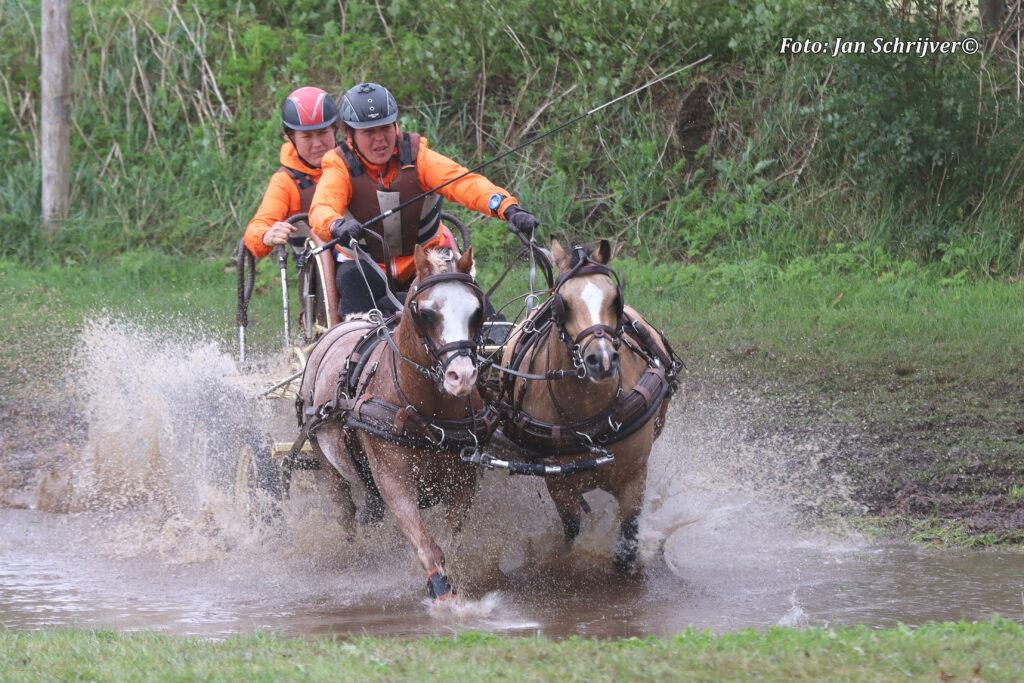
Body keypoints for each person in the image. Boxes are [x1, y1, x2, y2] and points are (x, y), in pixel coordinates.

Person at [309, 82, 539, 316]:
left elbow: (464, 182)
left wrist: (507, 207)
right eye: (368, 132)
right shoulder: (338, 165)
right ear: (349, 134)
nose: (379, 139)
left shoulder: (419, 157)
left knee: (463, 291)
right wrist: (336, 224)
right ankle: (355, 349)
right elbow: (322, 208)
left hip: (427, 262)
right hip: (366, 267)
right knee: (353, 277)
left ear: (396, 126)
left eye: (385, 128)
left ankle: (491, 338)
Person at [243, 86, 340, 258]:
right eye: (307, 136)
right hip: (318, 277)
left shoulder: (353, 162)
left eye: (323, 132)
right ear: (291, 137)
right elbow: (256, 229)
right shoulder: (285, 182)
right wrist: (266, 235)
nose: (317, 143)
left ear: (335, 129)